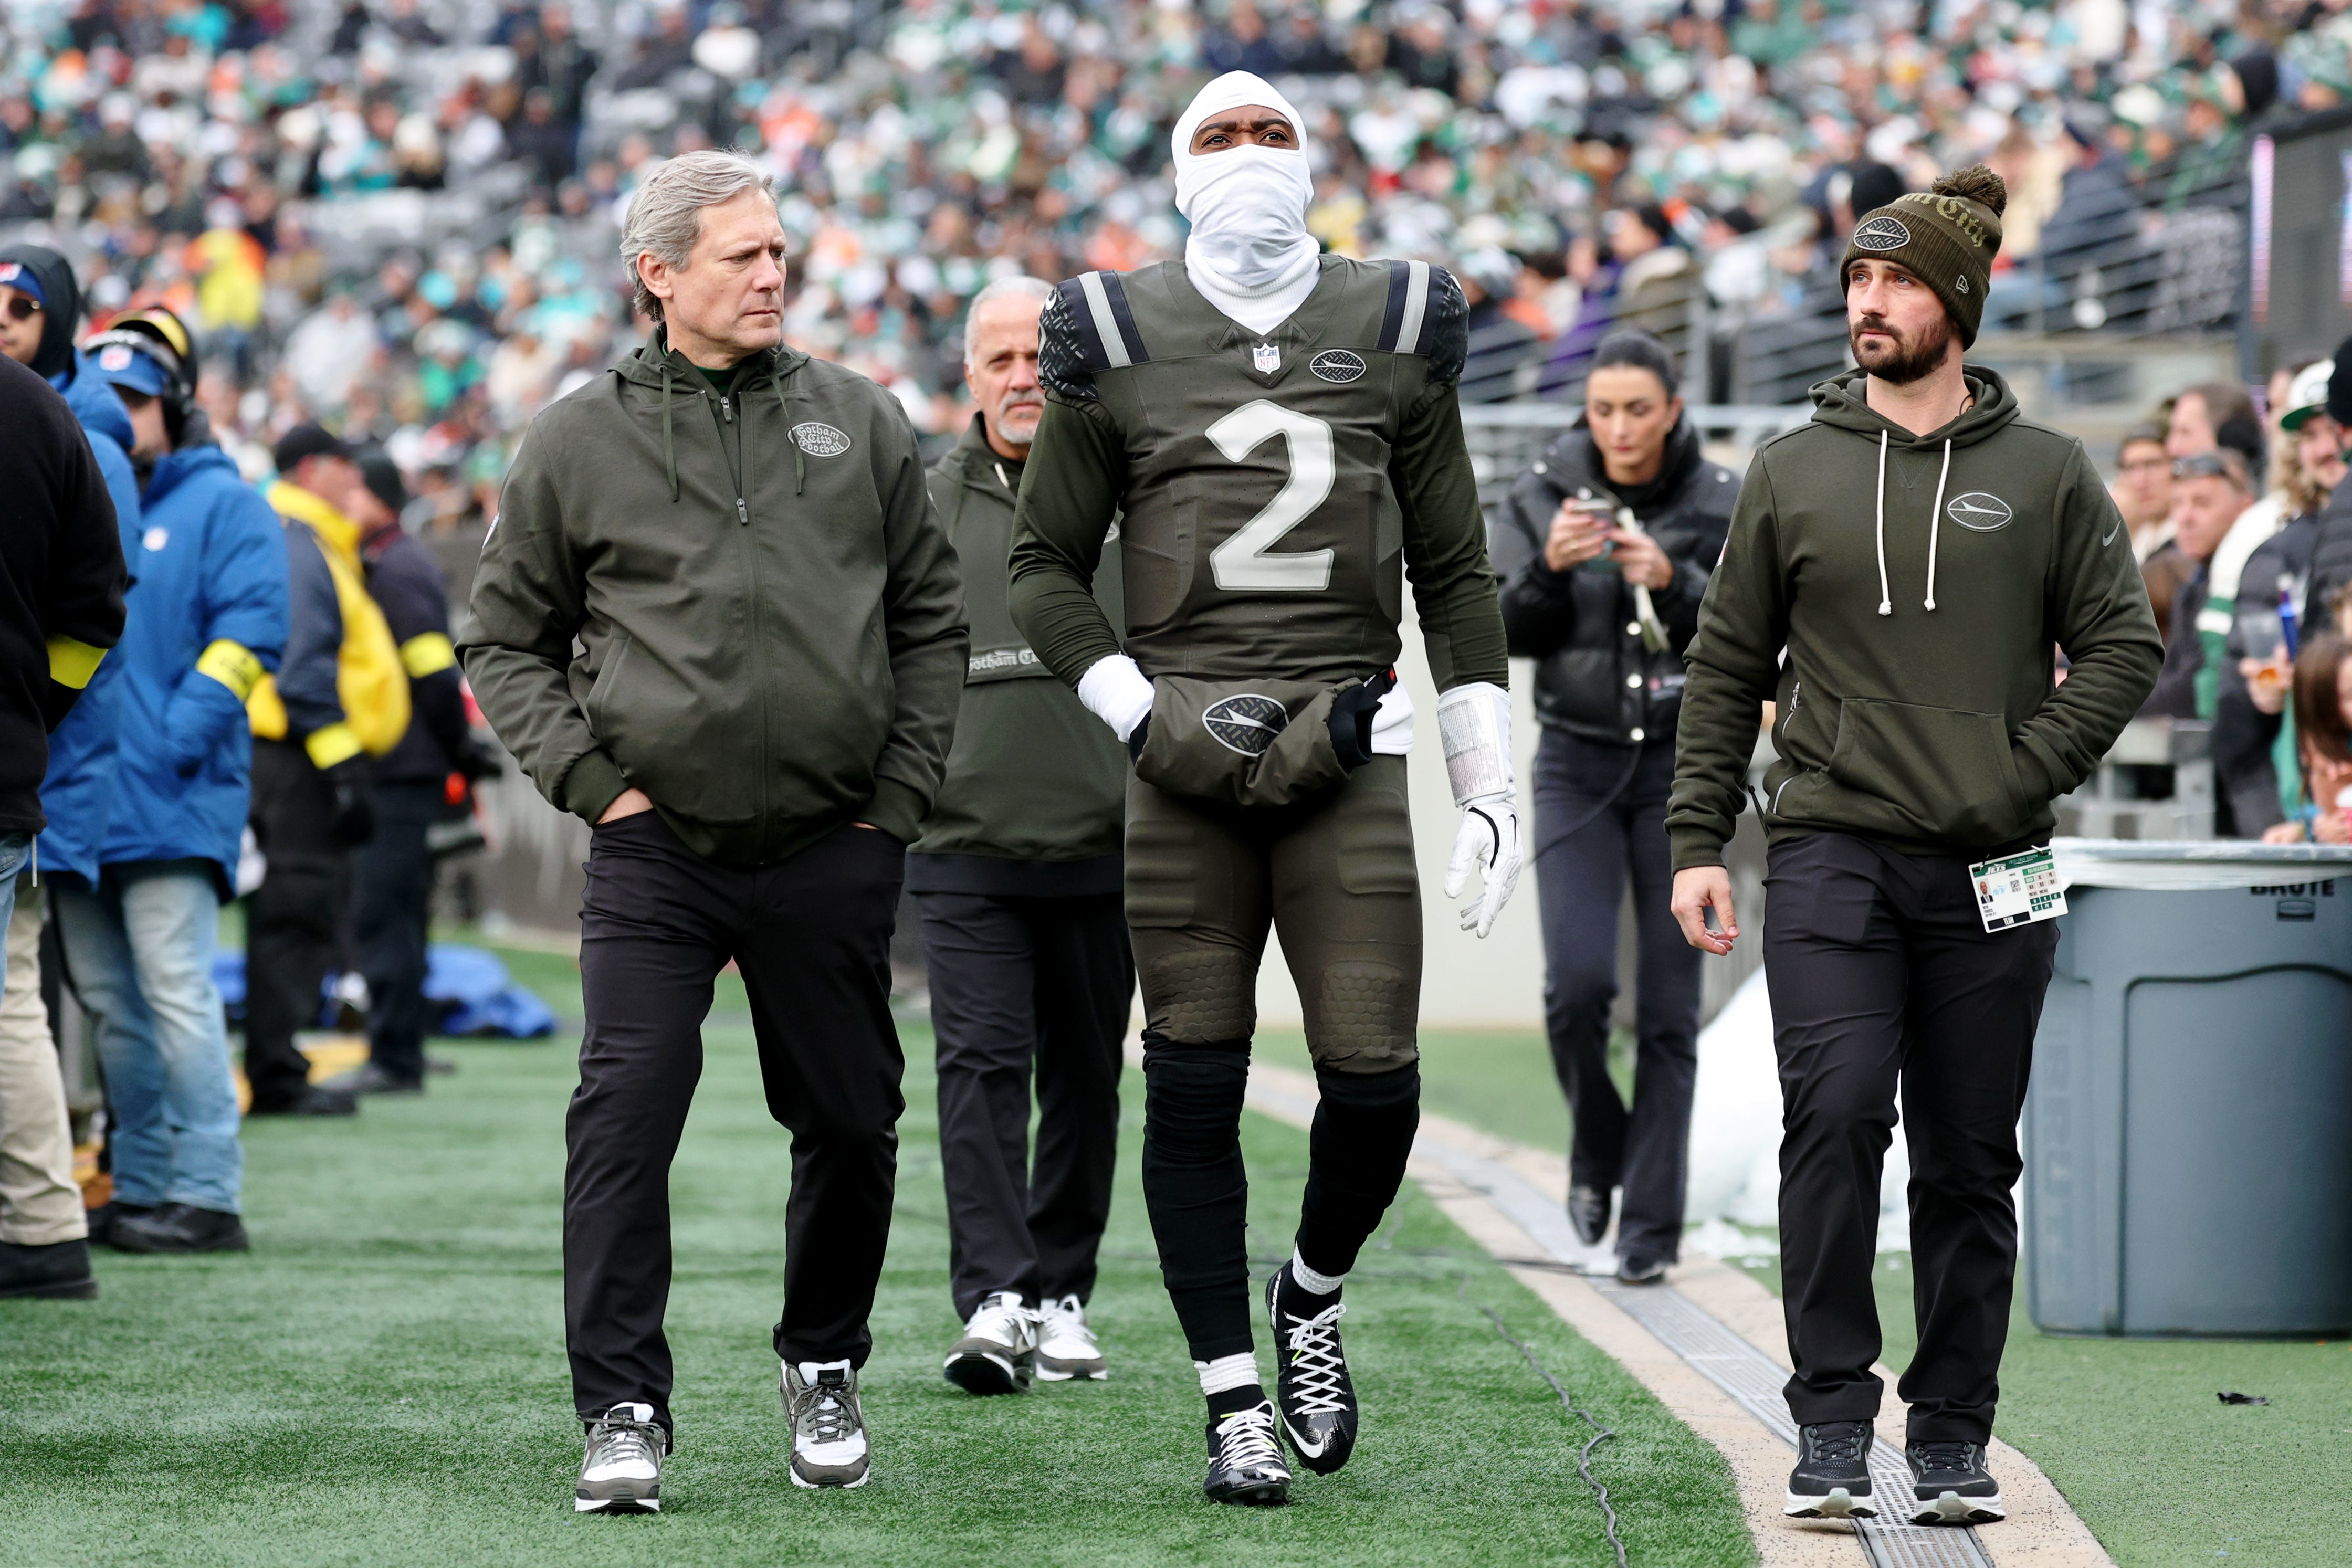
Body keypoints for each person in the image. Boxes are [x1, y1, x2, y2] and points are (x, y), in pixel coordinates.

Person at [1006, 72, 1517, 1506]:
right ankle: (1231, 1394)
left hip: (1348, 741)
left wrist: (1489, 775)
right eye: (1220, 137)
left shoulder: (1400, 319)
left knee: (1374, 1072)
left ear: (1314, 159)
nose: (1248, 155)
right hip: (1182, 758)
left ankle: (1313, 1289)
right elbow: (1043, 561)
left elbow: (1455, 566)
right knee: (1192, 1076)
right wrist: (1128, 706)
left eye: (1270, 133)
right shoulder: (1112, 329)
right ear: (1179, 170)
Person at [461, 149, 966, 1510]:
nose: (772, 271)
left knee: (854, 1119)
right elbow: (503, 637)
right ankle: (623, 1404)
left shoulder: (860, 419)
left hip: (833, 843)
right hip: (655, 852)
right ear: (659, 274)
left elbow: (932, 621)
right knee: (624, 1112)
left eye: (778, 248)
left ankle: (824, 1359)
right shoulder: (575, 437)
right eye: (742, 253)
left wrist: (894, 806)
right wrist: (597, 788)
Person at [1667, 165, 2160, 1527]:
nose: (1866, 304)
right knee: (1830, 1122)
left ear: (1957, 300)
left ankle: (1951, 1431)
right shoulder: (1792, 468)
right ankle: (1831, 1419)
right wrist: (1698, 836)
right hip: (1827, 849)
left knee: (1966, 1157)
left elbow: (2126, 644)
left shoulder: (2049, 474)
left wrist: (2029, 766)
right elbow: (1725, 667)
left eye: (1893, 281)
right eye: (1855, 283)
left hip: (1995, 869)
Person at [908, 275, 1133, 1394]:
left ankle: (1059, 1289)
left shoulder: (1129, 496)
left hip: (1112, 847)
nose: (1017, 378)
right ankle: (993, 1291)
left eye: (1035, 357)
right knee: (980, 1068)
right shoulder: (920, 504)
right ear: (968, 376)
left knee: (1087, 1080)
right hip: (963, 849)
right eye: (996, 358)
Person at [1490, 327, 1734, 1283]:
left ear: (1673, 410)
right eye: (1604, 410)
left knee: (1670, 1013)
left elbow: (1754, 633)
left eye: (1640, 409)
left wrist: (1676, 583)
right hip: (1577, 766)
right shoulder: (1541, 489)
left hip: (1683, 771)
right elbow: (1502, 628)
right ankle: (1598, 1150)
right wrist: (1549, 567)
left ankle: (1650, 1232)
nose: (1622, 428)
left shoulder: (1718, 498)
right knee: (1579, 987)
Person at [51, 309, 277, 1256]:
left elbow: (254, 630)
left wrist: (175, 739)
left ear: (174, 406)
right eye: (108, 393)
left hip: (173, 797)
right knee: (110, 1003)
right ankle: (138, 1182)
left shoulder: (225, 503)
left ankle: (209, 1192)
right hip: (86, 800)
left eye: (138, 396)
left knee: (176, 990)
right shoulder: (86, 489)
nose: (120, 409)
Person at [0, 244, 142, 1298]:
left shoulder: (73, 420)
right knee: (12, 994)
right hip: (10, 760)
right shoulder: (49, 417)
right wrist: (28, 711)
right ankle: (45, 1228)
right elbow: (97, 606)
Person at [243, 423, 411, 1120]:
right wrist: (342, 764)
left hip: (299, 755)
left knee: (296, 910)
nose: (357, 478)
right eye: (346, 464)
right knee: (294, 910)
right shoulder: (298, 540)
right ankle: (277, 1071)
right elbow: (303, 667)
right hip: (299, 760)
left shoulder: (308, 537)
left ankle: (277, 1060)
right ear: (312, 469)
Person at [321, 450, 498, 1097]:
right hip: (410, 763)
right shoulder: (393, 561)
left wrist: (456, 747)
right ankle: (404, 1049)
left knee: (382, 912)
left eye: (353, 490)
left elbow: (429, 667)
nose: (341, 499)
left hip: (401, 769)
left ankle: (394, 1059)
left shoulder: (395, 567)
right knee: (399, 914)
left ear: (381, 499)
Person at [2221, 361, 2343, 835]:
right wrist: (2274, 828)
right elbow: (2239, 717)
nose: (2326, 447)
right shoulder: (2277, 555)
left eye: (2335, 427)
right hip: (2308, 820)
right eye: (2309, 434)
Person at [2139, 449, 2253, 722]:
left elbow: (2189, 691)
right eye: (2178, 503)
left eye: (2202, 503)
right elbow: (2169, 675)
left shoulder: (2251, 582)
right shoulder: (2192, 589)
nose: (2185, 518)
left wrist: (2106, 707)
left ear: (2244, 508)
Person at [2111, 423, 2192, 641]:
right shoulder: (2136, 538)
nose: (2141, 481)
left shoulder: (2189, 538)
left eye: (2152, 464)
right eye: (2131, 468)